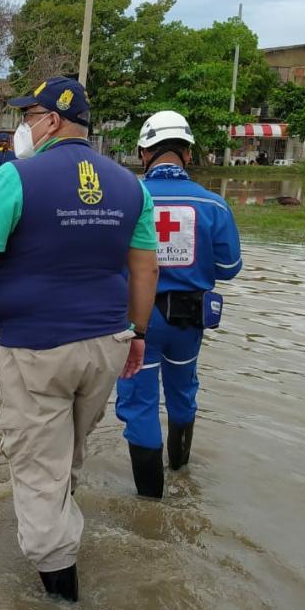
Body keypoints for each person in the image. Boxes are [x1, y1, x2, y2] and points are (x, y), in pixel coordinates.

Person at [0, 76, 159, 602]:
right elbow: (145, 268)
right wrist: (139, 334)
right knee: (69, 453)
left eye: (30, 115)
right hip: (106, 343)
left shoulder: (16, 178)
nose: (26, 126)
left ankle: (63, 607)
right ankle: (61, 528)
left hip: (37, 350)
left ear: (53, 120)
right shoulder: (133, 186)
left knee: (37, 468)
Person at [115, 111, 242, 499]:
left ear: (143, 152)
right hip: (189, 321)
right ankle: (180, 470)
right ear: (188, 154)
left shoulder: (127, 198)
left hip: (137, 321)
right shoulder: (215, 206)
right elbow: (229, 268)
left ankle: (150, 504)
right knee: (183, 391)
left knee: (139, 402)